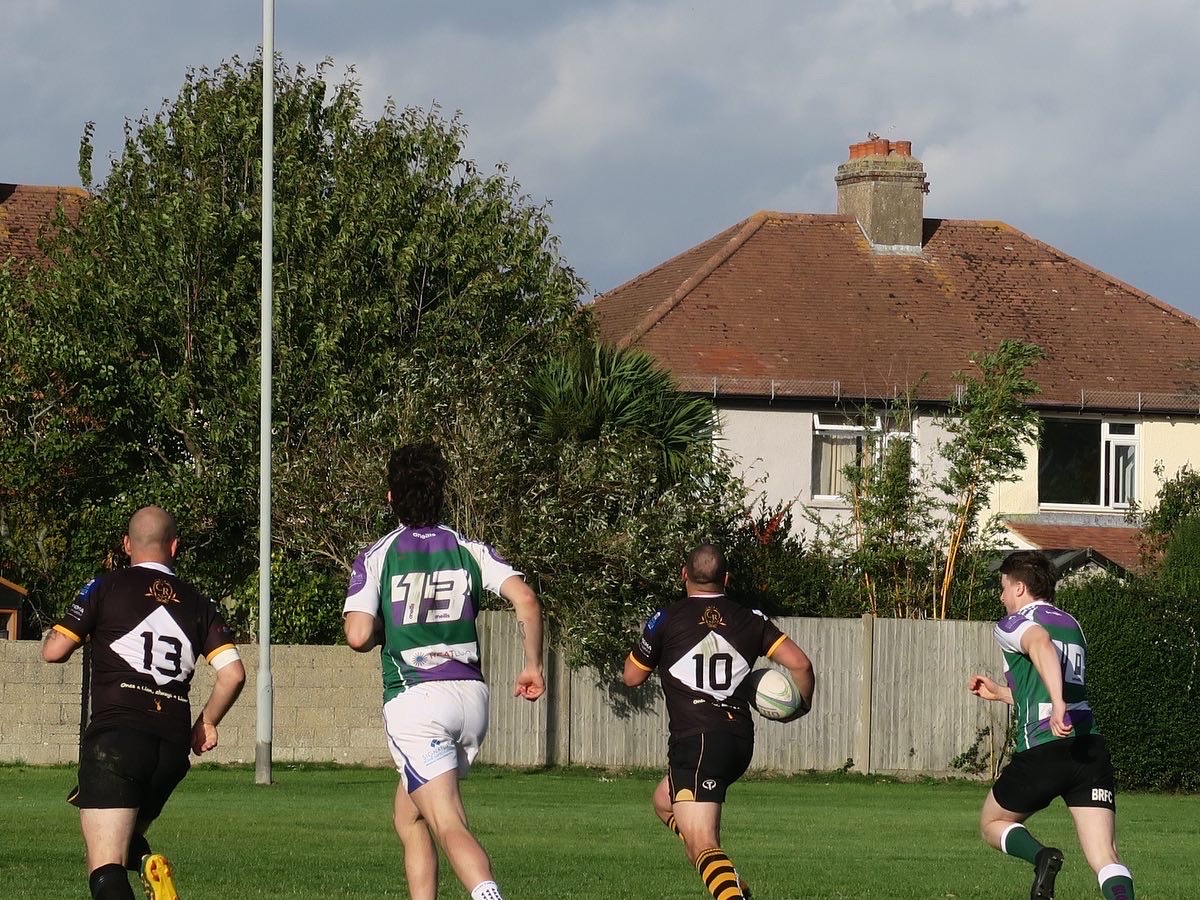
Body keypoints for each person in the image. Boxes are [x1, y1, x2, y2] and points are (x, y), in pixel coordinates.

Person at [343, 443, 545, 900]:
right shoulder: (469, 548)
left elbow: (357, 634)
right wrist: (532, 665)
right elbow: (526, 600)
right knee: (409, 815)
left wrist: (385, 629)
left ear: (391, 497)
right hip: (470, 698)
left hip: (417, 699)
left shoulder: (378, 554)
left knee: (448, 821)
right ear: (442, 495)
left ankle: (488, 894)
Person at [42, 506, 245, 900]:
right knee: (127, 834)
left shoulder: (105, 586)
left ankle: (144, 873)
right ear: (174, 546)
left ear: (126, 545)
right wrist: (207, 722)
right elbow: (233, 673)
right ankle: (150, 866)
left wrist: (55, 632)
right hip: (170, 748)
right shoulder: (199, 603)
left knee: (105, 868)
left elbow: (55, 651)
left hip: (117, 738)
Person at [623, 543, 815, 900]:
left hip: (696, 742)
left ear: (684, 576)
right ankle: (725, 876)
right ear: (726, 579)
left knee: (702, 845)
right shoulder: (752, 619)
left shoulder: (667, 618)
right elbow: (801, 665)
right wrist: (800, 706)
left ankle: (723, 881)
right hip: (738, 742)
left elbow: (632, 677)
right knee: (664, 801)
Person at [968, 550, 1135, 900]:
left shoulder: (1013, 624)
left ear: (1019, 587)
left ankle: (1042, 856)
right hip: (1088, 749)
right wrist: (1002, 694)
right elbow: (1053, 687)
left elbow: (1039, 643)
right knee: (1106, 856)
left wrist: (1057, 706)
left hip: (1044, 749)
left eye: (1003, 587)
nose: (1001, 597)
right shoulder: (1072, 624)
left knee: (991, 824)